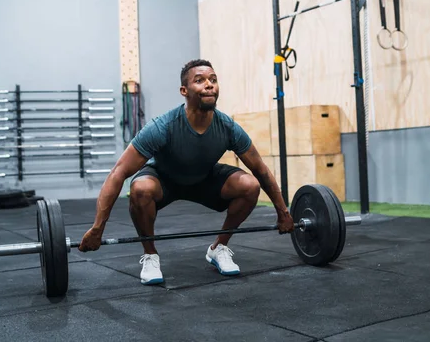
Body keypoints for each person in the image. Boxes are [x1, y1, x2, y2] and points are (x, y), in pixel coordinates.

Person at [78, 59, 295, 285]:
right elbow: (118, 172)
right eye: (199, 81)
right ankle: (150, 255)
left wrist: (283, 212)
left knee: (249, 185)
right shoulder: (163, 126)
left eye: (213, 80)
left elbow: (260, 170)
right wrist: (97, 228)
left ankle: (219, 248)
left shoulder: (228, 127)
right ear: (184, 90)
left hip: (204, 179)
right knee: (140, 188)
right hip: (164, 180)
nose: (209, 85)